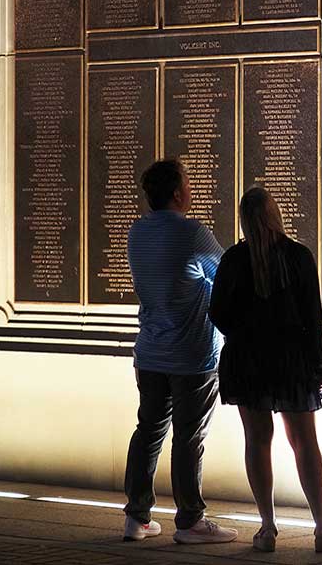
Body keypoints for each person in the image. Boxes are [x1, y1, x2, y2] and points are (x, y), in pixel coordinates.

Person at [209, 187, 322, 554]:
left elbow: (217, 311)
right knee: (303, 441)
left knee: (257, 439)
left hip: (247, 359)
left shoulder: (235, 259)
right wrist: (319, 366)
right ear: (275, 215)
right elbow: (312, 318)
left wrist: (243, 333)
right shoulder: (298, 257)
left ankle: (267, 528)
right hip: (291, 359)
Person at [123, 159, 237, 545]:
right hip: (193, 355)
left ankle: (137, 518)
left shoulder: (136, 233)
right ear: (176, 192)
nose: (191, 190)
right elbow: (224, 273)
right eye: (187, 184)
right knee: (188, 438)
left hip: (150, 353)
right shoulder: (192, 233)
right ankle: (190, 522)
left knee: (148, 432)